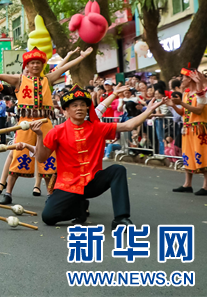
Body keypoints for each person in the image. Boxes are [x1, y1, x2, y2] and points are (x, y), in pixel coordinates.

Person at [29, 84, 161, 229]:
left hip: (92, 182)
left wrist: (148, 111)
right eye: (74, 105)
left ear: (87, 108)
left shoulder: (97, 127)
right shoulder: (57, 131)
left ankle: (121, 218)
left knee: (118, 170)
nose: (79, 108)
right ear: (66, 110)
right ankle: (79, 209)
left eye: (82, 105)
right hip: (68, 185)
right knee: (48, 217)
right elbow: (41, 158)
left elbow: (128, 126)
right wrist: (39, 135)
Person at [0, 47, 93, 204]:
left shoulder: (48, 79)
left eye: (38, 63)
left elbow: (65, 67)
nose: (36, 65)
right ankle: (8, 193)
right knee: (18, 155)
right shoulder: (19, 80)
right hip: (25, 124)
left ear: (43, 65)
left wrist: (82, 57)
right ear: (27, 66)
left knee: (49, 159)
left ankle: (50, 195)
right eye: (32, 63)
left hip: (45, 122)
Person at [167, 68, 207, 196]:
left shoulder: (202, 92)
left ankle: (206, 186)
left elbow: (198, 110)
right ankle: (187, 184)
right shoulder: (186, 93)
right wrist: (173, 105)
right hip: (187, 128)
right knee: (187, 155)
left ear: (191, 78)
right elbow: (183, 112)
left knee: (203, 154)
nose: (182, 80)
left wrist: (181, 102)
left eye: (184, 78)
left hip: (199, 128)